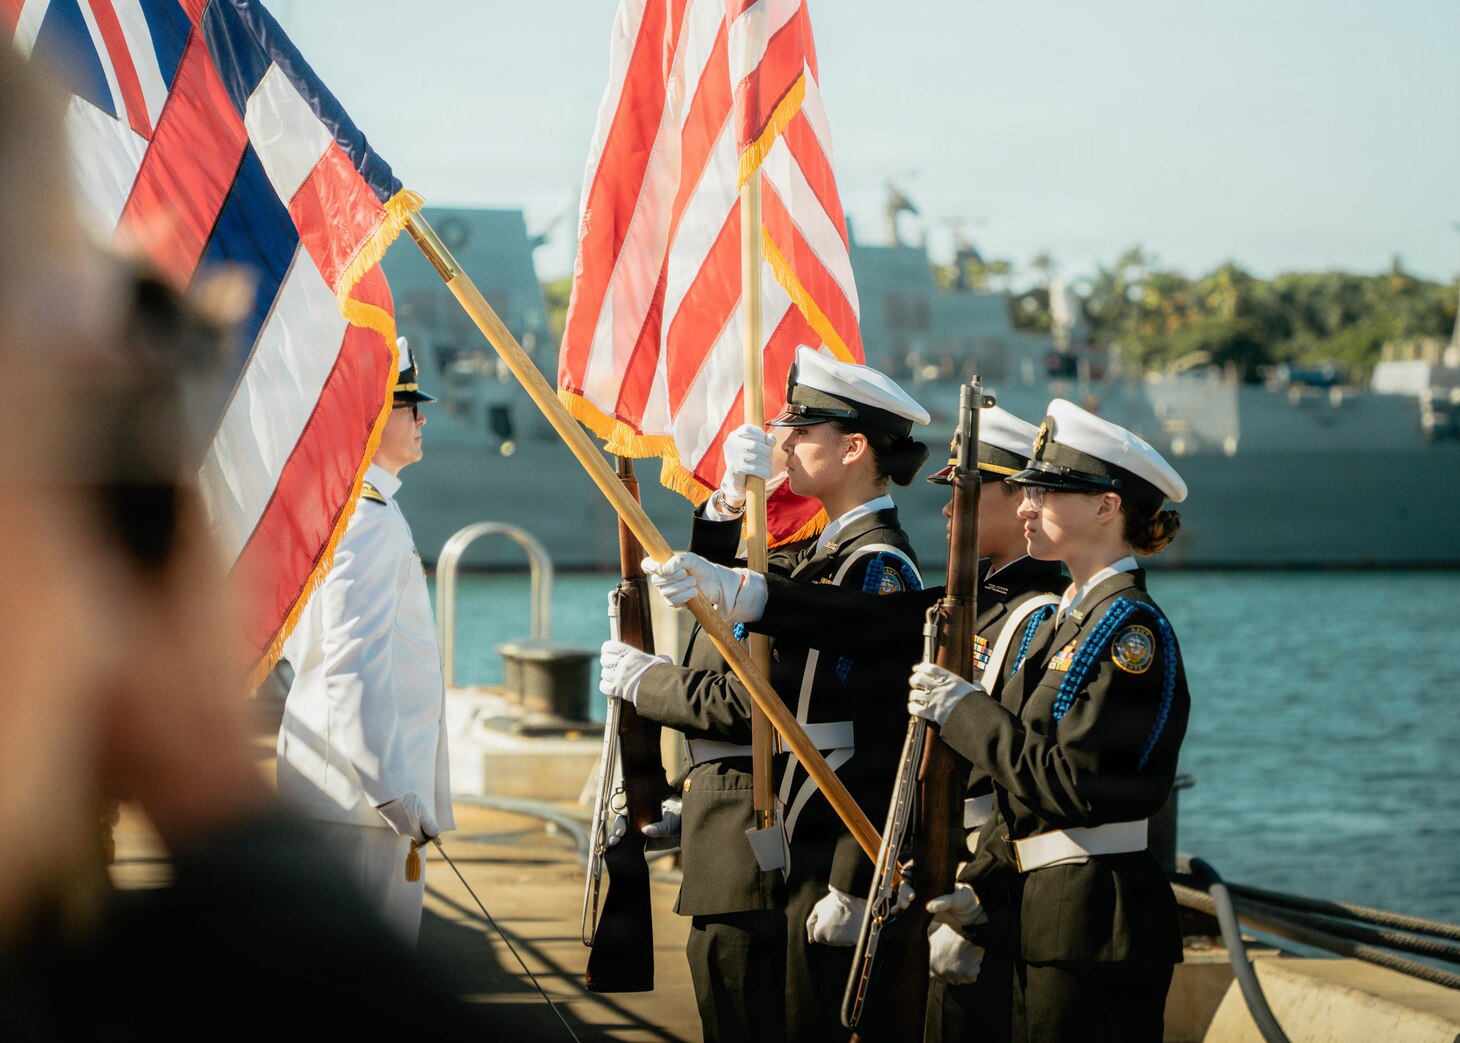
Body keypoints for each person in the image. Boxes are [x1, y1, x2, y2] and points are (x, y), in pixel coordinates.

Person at [648, 404, 1065, 1040]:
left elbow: (887, 740)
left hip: (958, 862)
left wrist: (865, 879)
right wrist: (727, 524)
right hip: (922, 858)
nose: (950, 511)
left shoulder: (1028, 611)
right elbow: (834, 624)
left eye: (969, 493)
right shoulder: (969, 598)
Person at [606, 345, 932, 1040]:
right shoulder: (823, 557)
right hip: (774, 844)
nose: (783, 440)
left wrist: (852, 878)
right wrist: (724, 503)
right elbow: (717, 637)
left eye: (802, 429)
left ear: (852, 448)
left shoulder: (877, 568)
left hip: (811, 851)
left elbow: (879, 741)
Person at [907, 398, 1191, 1042]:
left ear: (1106, 506)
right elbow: (1020, 794)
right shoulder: (1067, 621)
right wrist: (981, 895)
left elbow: (1076, 784)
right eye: (1028, 489)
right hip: (1045, 913)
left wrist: (965, 712)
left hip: (1099, 922)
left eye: (1050, 490)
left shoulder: (1130, 629)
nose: (1027, 505)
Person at [278, 338, 454, 947]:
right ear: (375, 416)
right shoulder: (369, 520)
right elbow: (353, 664)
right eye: (409, 405)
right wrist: (393, 792)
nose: (422, 418)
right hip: (363, 806)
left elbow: (306, 653)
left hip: (342, 793)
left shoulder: (348, 510)